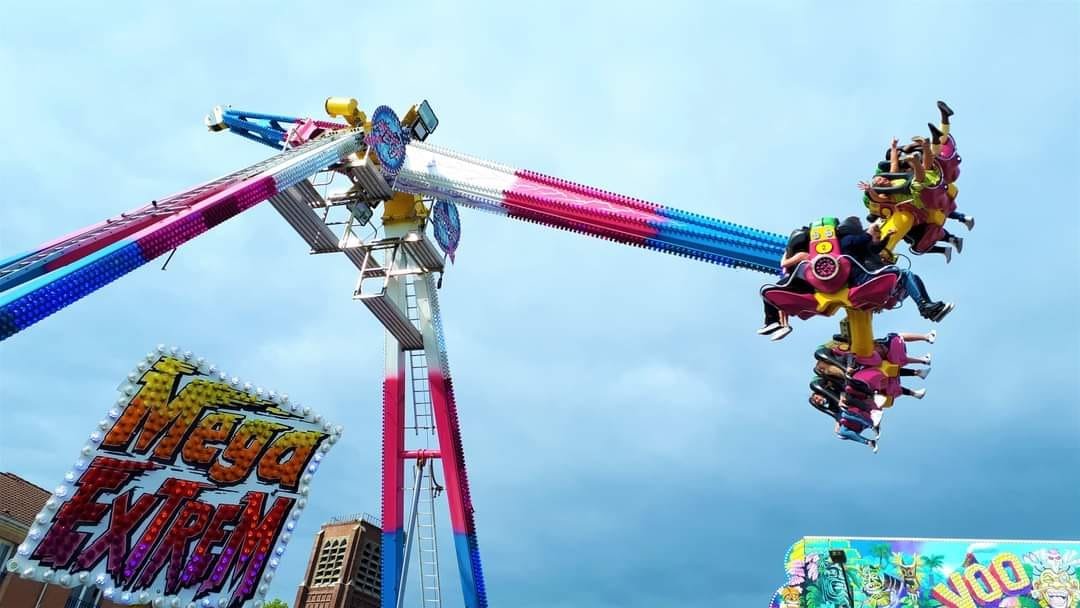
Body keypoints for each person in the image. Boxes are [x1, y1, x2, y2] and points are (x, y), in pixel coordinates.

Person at [836, 217, 954, 322]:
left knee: (913, 277)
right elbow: (864, 239)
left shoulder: (857, 245)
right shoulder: (846, 240)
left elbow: (875, 248)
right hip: (863, 278)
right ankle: (924, 306)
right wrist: (871, 230)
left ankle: (928, 306)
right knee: (905, 274)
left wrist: (887, 237)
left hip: (866, 277)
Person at [759, 226, 812, 341]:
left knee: (766, 292)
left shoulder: (803, 254)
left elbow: (784, 264)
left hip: (801, 284)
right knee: (780, 300)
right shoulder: (804, 256)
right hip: (802, 284)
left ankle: (772, 322)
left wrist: (786, 253)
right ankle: (783, 326)